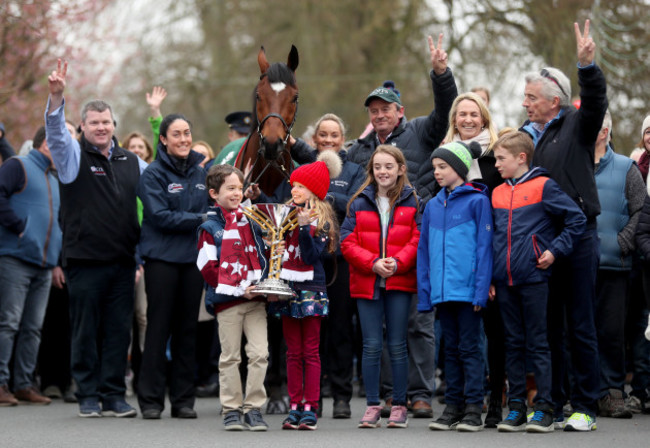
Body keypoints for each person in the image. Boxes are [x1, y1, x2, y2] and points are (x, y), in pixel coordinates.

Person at [347, 34, 457, 418]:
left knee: (418, 321)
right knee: (383, 330)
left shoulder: (422, 131)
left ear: (399, 111)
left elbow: (446, 109)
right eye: (374, 111)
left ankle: (420, 392)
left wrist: (440, 73)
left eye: (386, 109)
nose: (379, 115)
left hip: (417, 238)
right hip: (376, 250)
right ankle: (392, 396)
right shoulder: (361, 149)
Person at [45, 59, 147, 418]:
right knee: (86, 331)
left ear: (114, 125)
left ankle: (114, 395)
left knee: (119, 332)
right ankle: (87, 394)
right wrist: (57, 98)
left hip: (123, 263)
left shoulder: (131, 162)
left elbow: (160, 189)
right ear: (83, 127)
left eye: (106, 122)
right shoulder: (72, 156)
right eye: (94, 123)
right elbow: (56, 134)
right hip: (85, 262)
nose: (101, 128)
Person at [519, 20, 607, 432]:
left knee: (580, 324)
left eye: (532, 97)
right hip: (544, 241)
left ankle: (585, 405)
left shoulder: (577, 124)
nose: (526, 104)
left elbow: (594, 102)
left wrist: (586, 66)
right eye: (524, 98)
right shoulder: (530, 140)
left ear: (554, 101)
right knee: (548, 326)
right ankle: (550, 403)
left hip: (579, 237)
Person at [266, 113, 365, 419]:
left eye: (335, 134)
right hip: (298, 276)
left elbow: (354, 203)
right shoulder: (300, 178)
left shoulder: (354, 170)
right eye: (323, 134)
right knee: (300, 345)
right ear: (316, 139)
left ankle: (340, 396)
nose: (329, 139)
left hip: (334, 266)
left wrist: (324, 199)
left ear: (342, 138)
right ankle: (309, 401)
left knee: (338, 332)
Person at [489, 132, 586, 433]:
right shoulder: (496, 192)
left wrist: (554, 251)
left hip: (534, 278)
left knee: (539, 343)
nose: (496, 164)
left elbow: (577, 219)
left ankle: (544, 407)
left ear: (521, 158)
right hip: (504, 281)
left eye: (500, 158)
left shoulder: (544, 186)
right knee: (513, 343)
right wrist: (490, 277)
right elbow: (491, 238)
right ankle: (517, 407)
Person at [341, 145, 420, 429]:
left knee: (398, 345)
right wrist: (372, 262)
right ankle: (373, 404)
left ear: (401, 168)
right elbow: (347, 242)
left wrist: (397, 263)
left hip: (399, 281)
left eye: (389, 166)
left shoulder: (413, 201)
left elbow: (417, 238)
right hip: (367, 281)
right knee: (371, 345)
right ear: (371, 171)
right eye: (377, 167)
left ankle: (399, 404)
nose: (383, 172)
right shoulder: (359, 201)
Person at [136, 114, 208, 419]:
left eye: (187, 133)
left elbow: (215, 206)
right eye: (176, 134)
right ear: (163, 140)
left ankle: (182, 400)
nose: (183, 139)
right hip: (162, 261)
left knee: (187, 330)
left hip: (192, 261)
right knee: (158, 328)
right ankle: (151, 400)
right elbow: (160, 216)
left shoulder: (202, 172)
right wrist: (200, 220)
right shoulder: (152, 175)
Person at [418, 141, 492, 432]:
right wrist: (426, 293)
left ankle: (474, 407)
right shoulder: (433, 205)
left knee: (470, 349)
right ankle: (453, 406)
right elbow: (424, 251)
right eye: (435, 167)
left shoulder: (478, 201)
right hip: (442, 292)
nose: (437, 172)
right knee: (449, 350)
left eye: (443, 167)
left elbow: (485, 249)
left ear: (460, 170)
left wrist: (480, 290)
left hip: (467, 291)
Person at [196, 164, 270, 431]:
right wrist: (239, 289)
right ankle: (231, 408)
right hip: (228, 302)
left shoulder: (252, 220)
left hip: (256, 301)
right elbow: (208, 268)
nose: (237, 193)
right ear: (214, 193)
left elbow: (263, 256)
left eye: (240, 188)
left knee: (260, 353)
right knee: (230, 356)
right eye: (231, 188)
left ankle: (253, 408)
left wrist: (263, 285)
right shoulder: (209, 227)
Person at [274, 151, 340, 431]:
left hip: (311, 289)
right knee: (292, 351)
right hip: (289, 288)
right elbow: (280, 251)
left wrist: (303, 230)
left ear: (312, 189)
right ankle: (294, 405)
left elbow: (313, 256)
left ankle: (310, 406)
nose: (294, 189)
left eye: (299, 185)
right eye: (293, 185)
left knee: (310, 351)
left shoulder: (322, 222)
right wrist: (275, 250)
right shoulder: (285, 215)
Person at [0, 127, 62, 406]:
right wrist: (18, 227)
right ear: (47, 143)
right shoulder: (18, 165)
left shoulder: (54, 178)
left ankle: (23, 384)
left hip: (44, 264)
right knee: (8, 323)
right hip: (15, 258)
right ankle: (1, 384)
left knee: (33, 327)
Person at [593, 111, 645, 419]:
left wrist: (622, 243)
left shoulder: (628, 167)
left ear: (605, 131)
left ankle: (613, 392)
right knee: (579, 330)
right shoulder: (575, 166)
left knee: (612, 332)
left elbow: (641, 212)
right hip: (579, 265)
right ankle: (584, 393)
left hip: (615, 265)